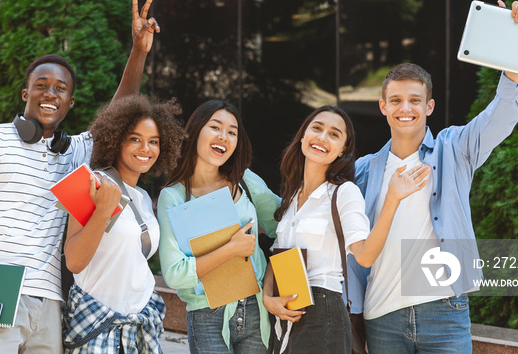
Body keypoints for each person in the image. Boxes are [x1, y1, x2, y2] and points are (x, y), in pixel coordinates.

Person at [0, 0, 160, 354]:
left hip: (50, 301)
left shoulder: (75, 152)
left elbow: (120, 110)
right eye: (41, 85)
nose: (49, 93)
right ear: (25, 93)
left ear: (71, 103)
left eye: (60, 89)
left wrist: (139, 51)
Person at [347, 0, 518, 354]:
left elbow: (502, 113)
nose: (406, 109)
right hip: (382, 317)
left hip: (445, 313)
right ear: (383, 106)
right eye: (397, 100)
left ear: (429, 106)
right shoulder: (363, 171)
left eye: (415, 100)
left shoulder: (456, 148)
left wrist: (516, 46)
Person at [260, 105, 429, 353]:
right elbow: (278, 255)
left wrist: (392, 198)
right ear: (303, 136)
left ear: (343, 150)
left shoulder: (343, 192)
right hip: (286, 315)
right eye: (317, 128)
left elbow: (365, 255)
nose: (322, 137)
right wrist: (268, 298)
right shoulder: (292, 196)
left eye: (334, 134)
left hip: (323, 312)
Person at [62, 95, 184, 353]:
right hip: (98, 330)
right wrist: (103, 211)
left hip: (137, 329)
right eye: (135, 139)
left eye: (154, 141)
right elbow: (73, 261)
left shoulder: (140, 197)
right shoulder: (92, 185)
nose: (146, 148)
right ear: (116, 140)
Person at [157, 100, 280, 353]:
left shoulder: (244, 180)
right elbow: (174, 274)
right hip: (207, 314)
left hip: (256, 309)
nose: (224, 137)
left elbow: (284, 223)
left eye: (232, 132)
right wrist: (232, 248)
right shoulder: (174, 197)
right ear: (195, 131)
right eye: (215, 127)